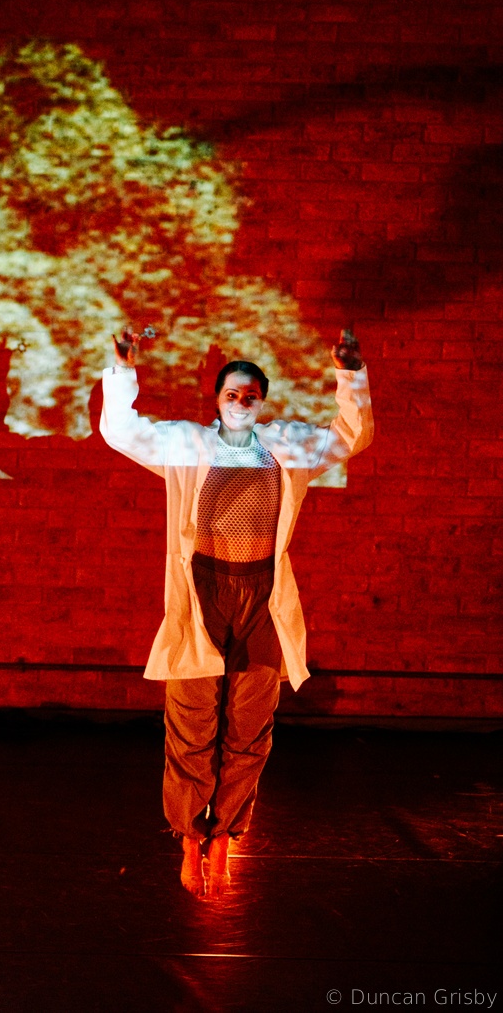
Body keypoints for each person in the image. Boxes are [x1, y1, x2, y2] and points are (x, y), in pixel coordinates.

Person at [99, 327, 371, 900]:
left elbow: (351, 435)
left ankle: (224, 833)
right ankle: (188, 835)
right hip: (202, 594)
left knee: (251, 727)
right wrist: (122, 369)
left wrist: (350, 375)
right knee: (191, 723)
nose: (241, 401)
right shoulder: (188, 444)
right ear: (217, 398)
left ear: (262, 401)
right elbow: (121, 431)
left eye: (251, 395)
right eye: (232, 393)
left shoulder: (286, 447)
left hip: (262, 599)